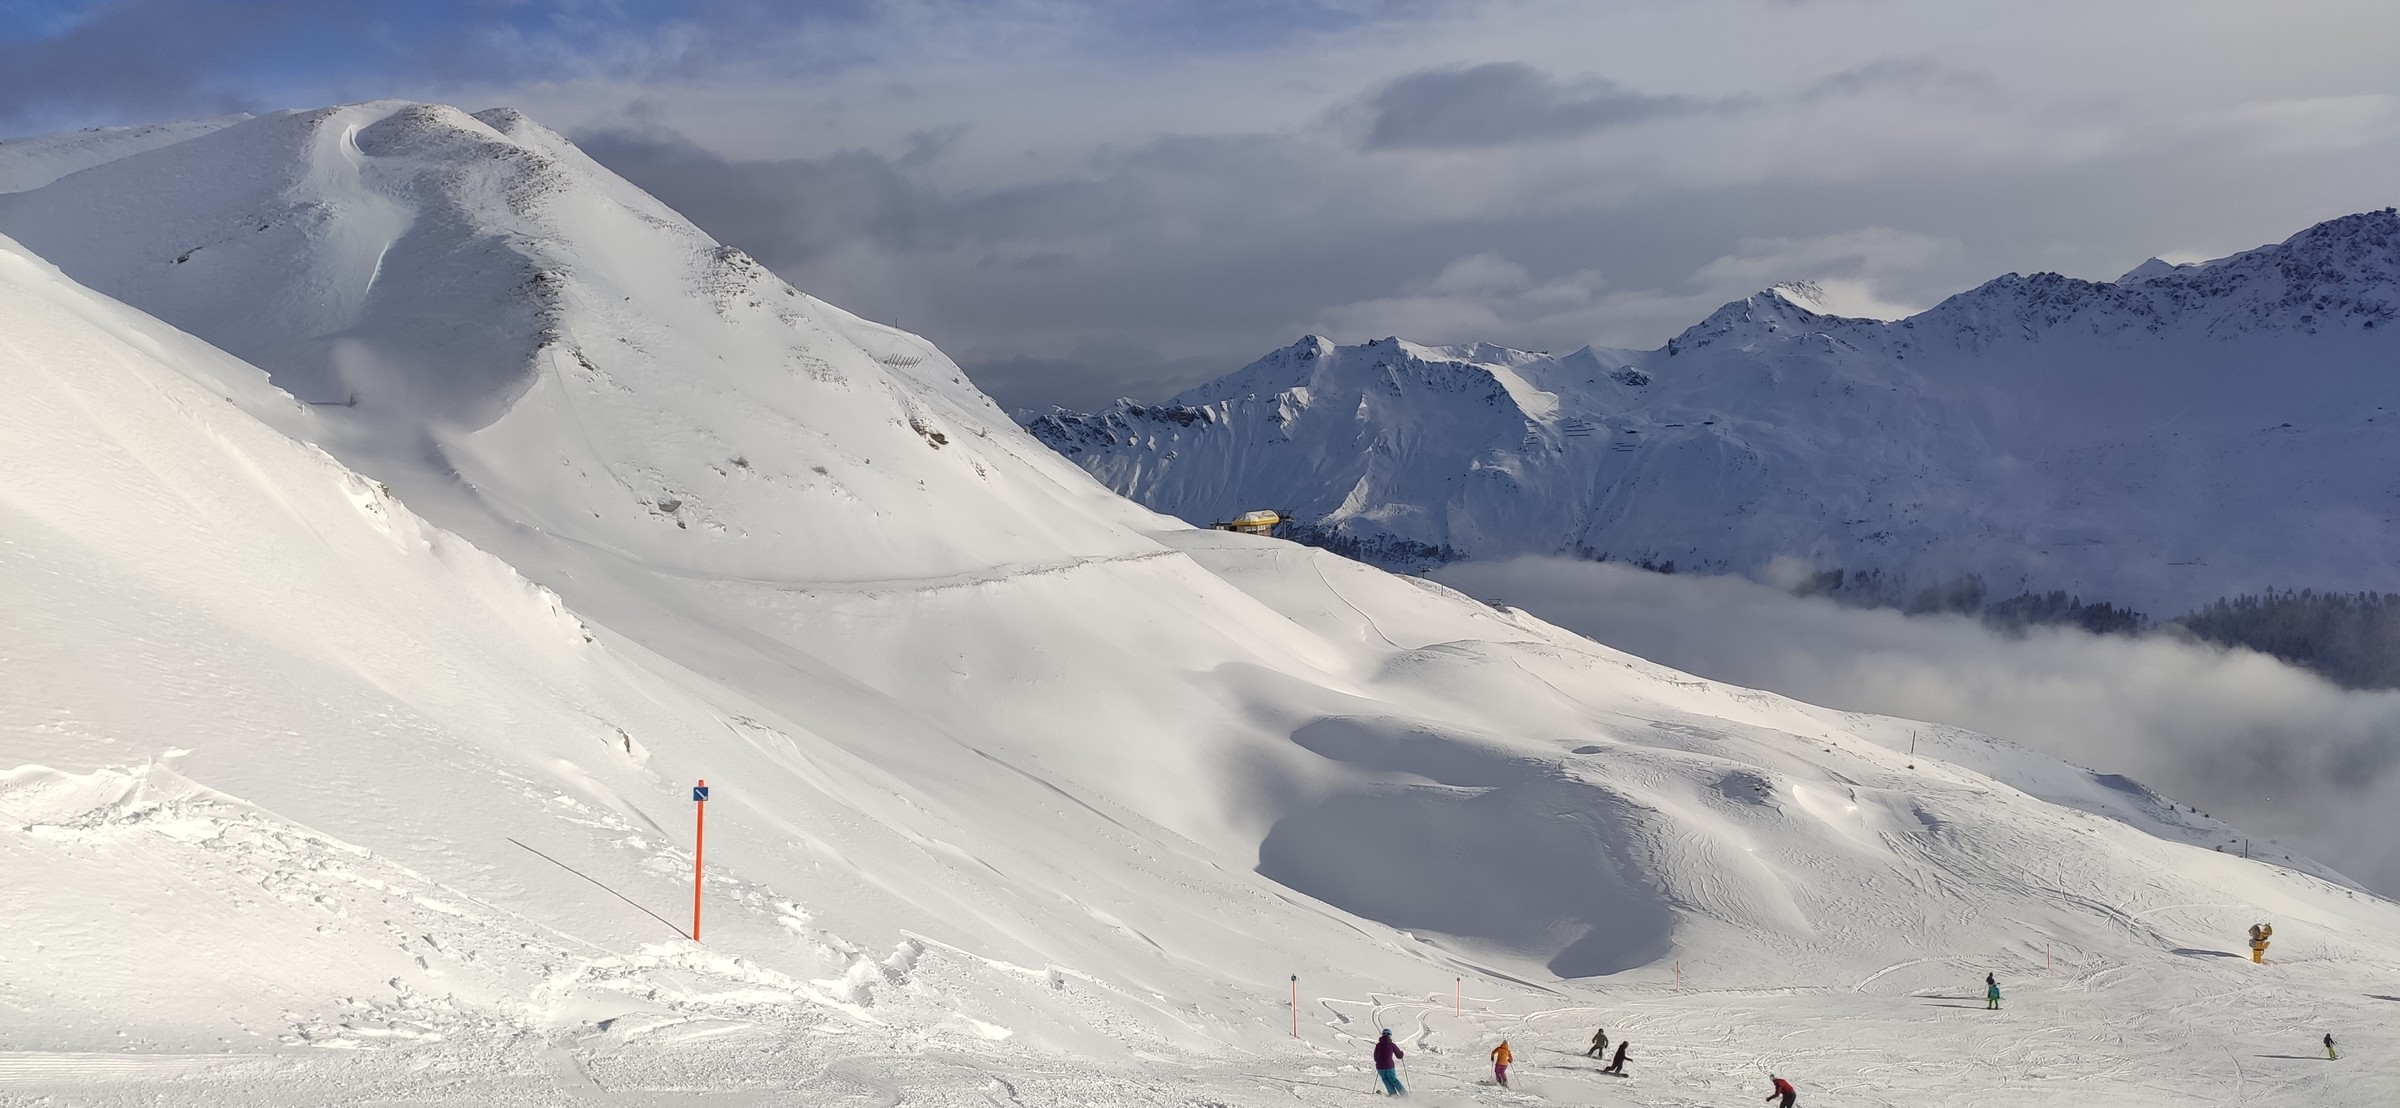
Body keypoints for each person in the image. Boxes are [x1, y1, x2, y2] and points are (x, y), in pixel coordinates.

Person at [1374, 1029, 1406, 1096]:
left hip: (1380, 1066)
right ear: (1390, 1035)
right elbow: (1399, 1056)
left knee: (1385, 1079)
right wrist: (1402, 1053)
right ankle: (1404, 1094)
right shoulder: (1391, 1045)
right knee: (1393, 1080)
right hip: (1389, 1066)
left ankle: (1393, 1094)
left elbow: (1375, 1058)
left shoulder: (1378, 1045)